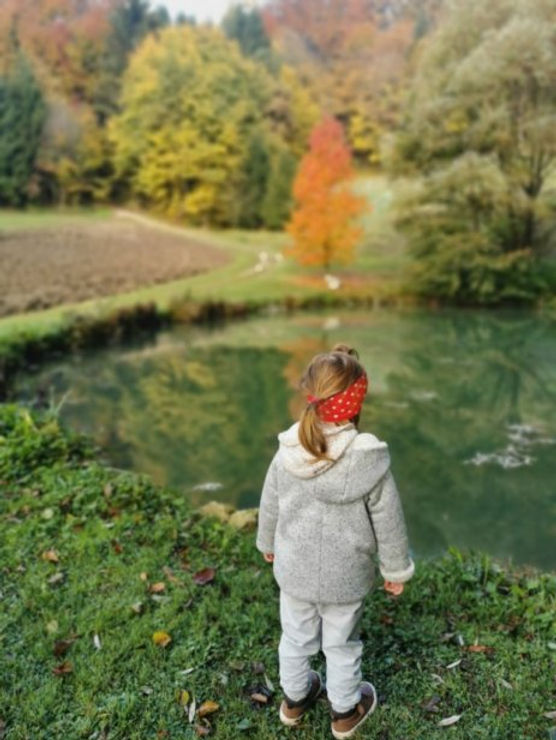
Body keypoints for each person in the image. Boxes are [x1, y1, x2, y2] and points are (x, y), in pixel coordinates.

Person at [256, 343, 415, 739]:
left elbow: (270, 503)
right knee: (341, 645)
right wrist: (394, 568)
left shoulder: (290, 449)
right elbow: (389, 522)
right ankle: (345, 711)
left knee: (295, 637)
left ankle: (294, 700)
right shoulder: (370, 460)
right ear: (357, 402)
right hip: (347, 578)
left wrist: (267, 543)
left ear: (311, 394)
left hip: (294, 571)